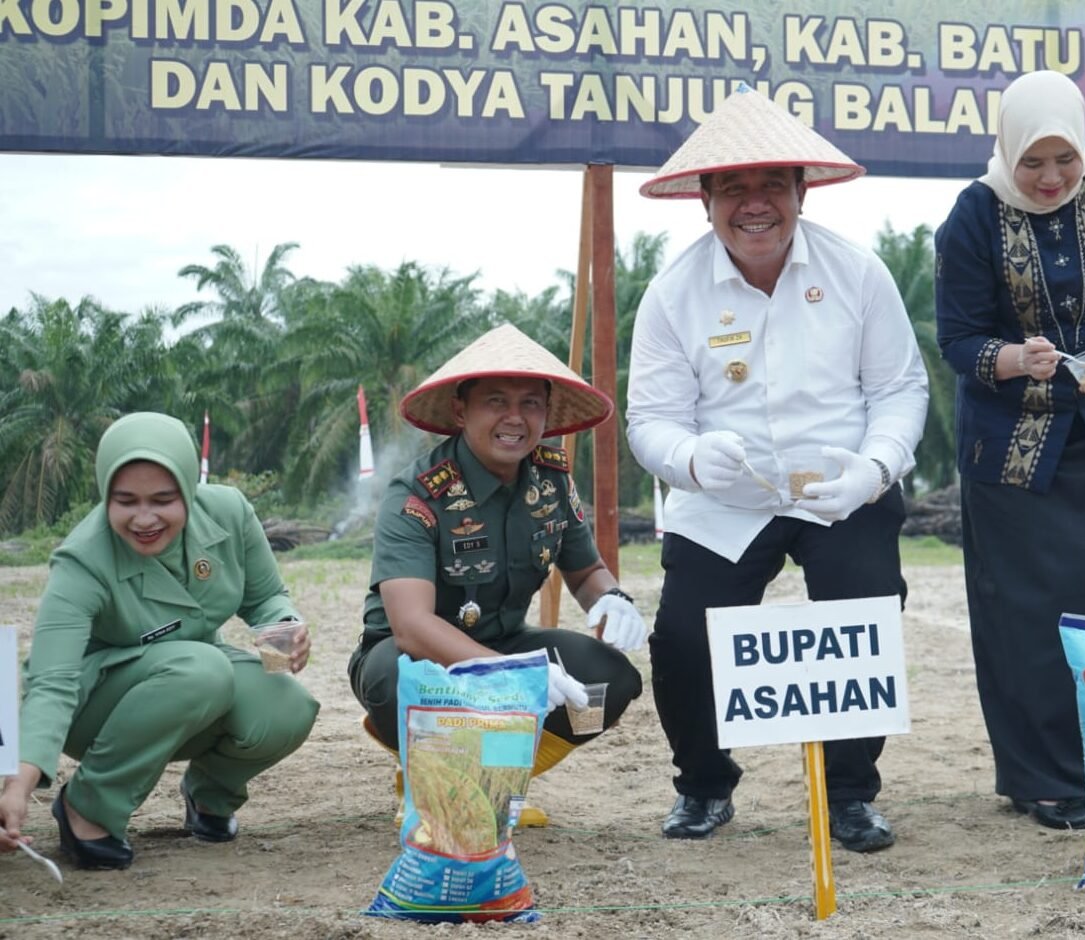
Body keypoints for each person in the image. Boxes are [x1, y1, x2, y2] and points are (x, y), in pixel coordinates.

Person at [627, 86, 929, 852]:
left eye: (771, 186)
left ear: (801, 191)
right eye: (733, 188)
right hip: (723, 497)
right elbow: (648, 423)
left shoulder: (858, 273)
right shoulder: (671, 295)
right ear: (704, 200)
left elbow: (900, 390)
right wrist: (690, 457)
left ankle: (850, 795)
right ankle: (702, 784)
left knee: (861, 615)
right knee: (683, 639)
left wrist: (874, 470)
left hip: (840, 486)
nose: (753, 205)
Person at [933, 70, 1085, 830]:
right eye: (1033, 161)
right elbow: (959, 339)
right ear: (1006, 149)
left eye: (1063, 159)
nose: (1049, 178)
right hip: (1008, 458)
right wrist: (1011, 358)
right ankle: (1038, 780)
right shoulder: (971, 216)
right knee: (1023, 622)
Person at [348, 324, 646, 824]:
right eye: (496, 402)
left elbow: (585, 569)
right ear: (461, 411)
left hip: (505, 640)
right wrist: (512, 675)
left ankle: (496, 778)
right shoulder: (420, 493)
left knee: (608, 681)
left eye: (531, 403)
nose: (515, 419)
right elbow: (411, 626)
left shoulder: (549, 479)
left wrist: (613, 598)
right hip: (422, 658)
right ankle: (426, 772)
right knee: (395, 676)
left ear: (547, 414)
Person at [0, 412, 319, 869]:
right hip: (96, 706)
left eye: (164, 500)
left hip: (194, 683)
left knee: (288, 706)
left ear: (189, 489)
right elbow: (52, 683)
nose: (144, 518)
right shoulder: (81, 562)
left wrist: (285, 628)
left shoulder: (228, 513)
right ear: (105, 494)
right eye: (125, 500)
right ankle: (87, 806)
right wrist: (17, 786)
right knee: (203, 668)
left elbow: (266, 596)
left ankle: (209, 795)